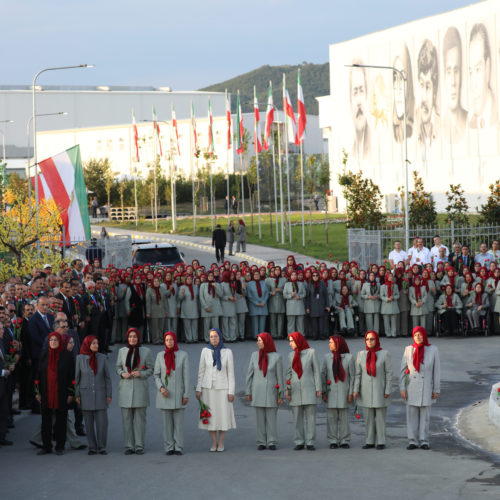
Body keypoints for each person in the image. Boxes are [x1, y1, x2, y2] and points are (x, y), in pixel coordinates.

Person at [196, 328, 236, 452]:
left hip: (223, 388)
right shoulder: (205, 351)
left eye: (216, 336)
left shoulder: (227, 352)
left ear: (220, 337)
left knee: (223, 416)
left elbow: (231, 374)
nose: (214, 339)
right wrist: (198, 388)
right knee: (210, 416)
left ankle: (221, 442)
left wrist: (231, 392)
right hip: (208, 389)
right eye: (211, 336)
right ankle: (214, 442)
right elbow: (201, 371)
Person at [400, 326, 440, 450]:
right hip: (412, 386)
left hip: (426, 387)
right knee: (411, 415)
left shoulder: (432, 350)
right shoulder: (408, 349)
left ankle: (424, 441)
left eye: (420, 334)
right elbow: (402, 370)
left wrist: (436, 389)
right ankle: (412, 440)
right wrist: (402, 387)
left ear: (424, 335)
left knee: (425, 415)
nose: (418, 337)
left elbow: (436, 371)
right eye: (415, 335)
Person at [36, 331, 75, 455]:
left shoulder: (67, 356)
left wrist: (71, 393)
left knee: (61, 420)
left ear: (60, 342)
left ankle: (60, 446)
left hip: (61, 393)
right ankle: (46, 446)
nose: (53, 342)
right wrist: (37, 392)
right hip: (46, 392)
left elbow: (72, 376)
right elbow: (38, 375)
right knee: (45, 420)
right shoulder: (44, 355)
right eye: (51, 340)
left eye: (56, 340)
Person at [116, 328, 153, 455]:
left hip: (140, 389)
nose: (132, 339)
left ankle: (139, 445)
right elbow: (118, 367)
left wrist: (141, 373)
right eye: (130, 336)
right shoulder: (122, 351)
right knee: (126, 420)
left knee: (140, 420)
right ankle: (129, 446)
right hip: (125, 390)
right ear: (127, 338)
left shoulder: (146, 351)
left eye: (135, 337)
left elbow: (151, 369)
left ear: (138, 338)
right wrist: (122, 374)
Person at [354, 331, 392, 450]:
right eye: (367, 339)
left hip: (380, 390)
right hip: (365, 391)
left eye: (372, 339)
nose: (369, 342)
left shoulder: (384, 354)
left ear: (377, 340)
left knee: (380, 417)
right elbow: (357, 374)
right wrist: (355, 389)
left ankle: (381, 441)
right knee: (368, 418)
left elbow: (389, 374)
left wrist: (387, 389)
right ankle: (369, 440)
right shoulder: (361, 354)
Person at [245, 332, 283, 450]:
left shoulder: (276, 357)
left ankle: (272, 441)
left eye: (260, 340)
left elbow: (280, 377)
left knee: (271, 418)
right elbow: (249, 375)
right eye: (258, 340)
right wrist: (248, 391)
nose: (258, 342)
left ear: (266, 342)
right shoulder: (254, 355)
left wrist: (280, 394)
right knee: (260, 418)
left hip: (271, 391)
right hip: (257, 391)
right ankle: (261, 441)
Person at [153, 332, 189, 455]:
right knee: (167, 425)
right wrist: (161, 388)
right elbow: (156, 375)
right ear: (164, 341)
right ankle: (169, 447)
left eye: (172, 339)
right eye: (167, 340)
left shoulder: (183, 355)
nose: (169, 342)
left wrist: (186, 394)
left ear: (175, 341)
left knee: (178, 424)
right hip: (165, 394)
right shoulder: (160, 355)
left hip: (179, 394)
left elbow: (186, 377)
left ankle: (178, 447)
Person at [76, 335, 112, 455]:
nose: (96, 345)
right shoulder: (80, 358)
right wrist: (77, 394)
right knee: (88, 422)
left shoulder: (102, 358)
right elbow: (77, 378)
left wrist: (109, 394)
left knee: (102, 422)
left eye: (97, 343)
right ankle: (92, 446)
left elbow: (107, 378)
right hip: (85, 394)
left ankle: (102, 446)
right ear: (87, 344)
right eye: (93, 343)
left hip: (101, 393)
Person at [286, 331, 321, 451]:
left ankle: (310, 441)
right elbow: (289, 373)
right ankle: (299, 441)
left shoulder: (311, 353)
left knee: (310, 417)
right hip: (295, 390)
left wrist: (318, 388)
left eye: (292, 341)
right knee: (297, 417)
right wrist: (288, 389)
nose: (290, 344)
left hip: (309, 388)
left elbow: (316, 371)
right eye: (289, 341)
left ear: (298, 340)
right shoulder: (291, 355)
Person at [321, 335, 355, 449]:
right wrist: (324, 391)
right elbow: (323, 375)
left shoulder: (349, 358)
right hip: (331, 392)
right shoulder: (327, 357)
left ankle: (345, 439)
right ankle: (333, 440)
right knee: (331, 417)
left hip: (344, 391)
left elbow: (352, 377)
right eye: (329, 342)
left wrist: (351, 393)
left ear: (338, 343)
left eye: (331, 342)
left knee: (344, 417)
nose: (329, 344)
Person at [442, 27, 468, 143]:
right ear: (444, 76)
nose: (453, 82)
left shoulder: (468, 121)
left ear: (461, 75)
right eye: (449, 72)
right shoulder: (440, 129)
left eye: (456, 71)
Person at [468, 23, 497, 129]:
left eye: (477, 69)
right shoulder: (470, 125)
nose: (473, 84)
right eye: (470, 72)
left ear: (488, 68)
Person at [416, 39, 440, 152]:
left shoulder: (442, 126)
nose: (424, 97)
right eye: (421, 85)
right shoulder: (412, 126)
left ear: (435, 91)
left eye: (428, 87)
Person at [349, 59, 371, 162]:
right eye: (355, 92)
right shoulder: (352, 149)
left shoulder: (372, 143)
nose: (358, 102)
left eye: (361, 91)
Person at [392, 43, 415, 142]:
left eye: (402, 78)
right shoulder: (393, 128)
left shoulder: (413, 127)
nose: (398, 87)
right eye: (395, 78)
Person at [306, 271, 330, 340]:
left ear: (319, 276)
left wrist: (327, 305)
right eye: (314, 275)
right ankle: (315, 335)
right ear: (312, 277)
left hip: (321, 305)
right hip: (312, 305)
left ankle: (322, 335)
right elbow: (307, 297)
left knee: (321, 321)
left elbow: (326, 296)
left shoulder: (322, 284)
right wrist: (307, 307)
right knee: (314, 322)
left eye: (317, 275)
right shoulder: (309, 285)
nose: (315, 277)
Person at [199, 272, 223, 341]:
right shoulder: (203, 285)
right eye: (209, 276)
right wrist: (205, 307)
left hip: (215, 308)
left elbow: (220, 295)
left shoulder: (217, 284)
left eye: (212, 276)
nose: (210, 277)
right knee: (207, 325)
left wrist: (215, 287)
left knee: (215, 326)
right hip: (207, 308)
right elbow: (201, 297)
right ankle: (207, 339)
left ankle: (216, 339)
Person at [246, 270, 269, 340]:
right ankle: (255, 336)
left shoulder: (264, 283)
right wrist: (256, 302)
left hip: (263, 305)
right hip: (254, 305)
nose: (256, 276)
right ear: (253, 275)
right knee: (254, 322)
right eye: (255, 274)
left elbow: (267, 293)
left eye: (258, 274)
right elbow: (249, 295)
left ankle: (261, 336)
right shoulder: (249, 284)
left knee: (262, 322)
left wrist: (264, 302)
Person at [145, 277, 168, 345]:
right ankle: (155, 340)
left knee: (161, 327)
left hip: (162, 311)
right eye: (154, 281)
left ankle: (161, 339)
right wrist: (148, 312)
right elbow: (148, 302)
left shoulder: (162, 289)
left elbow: (165, 301)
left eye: (157, 281)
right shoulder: (149, 290)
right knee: (154, 327)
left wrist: (166, 310)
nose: (156, 282)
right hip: (153, 311)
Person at [283, 271, 306, 335]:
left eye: (295, 275)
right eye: (292, 275)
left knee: (300, 323)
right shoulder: (287, 284)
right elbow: (284, 295)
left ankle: (301, 336)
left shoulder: (301, 284)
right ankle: (291, 335)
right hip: (290, 306)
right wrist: (290, 295)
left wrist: (300, 297)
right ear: (290, 276)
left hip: (299, 305)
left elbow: (304, 293)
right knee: (291, 323)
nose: (294, 276)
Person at [178, 275, 199, 343]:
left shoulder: (196, 287)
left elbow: (198, 298)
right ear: (185, 280)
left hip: (194, 308)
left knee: (195, 325)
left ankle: (195, 338)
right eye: (188, 279)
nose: (189, 280)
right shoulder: (182, 287)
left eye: (190, 279)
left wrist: (199, 307)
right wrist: (182, 293)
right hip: (186, 308)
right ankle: (189, 339)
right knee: (187, 325)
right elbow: (180, 298)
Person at [380, 273, 400, 337]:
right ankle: (388, 334)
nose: (390, 277)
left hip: (393, 304)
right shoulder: (383, 286)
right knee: (386, 321)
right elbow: (381, 296)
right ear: (386, 277)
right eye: (389, 276)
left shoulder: (395, 286)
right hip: (386, 305)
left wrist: (394, 297)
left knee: (394, 320)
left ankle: (393, 333)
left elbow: (398, 295)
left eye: (391, 276)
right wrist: (387, 299)